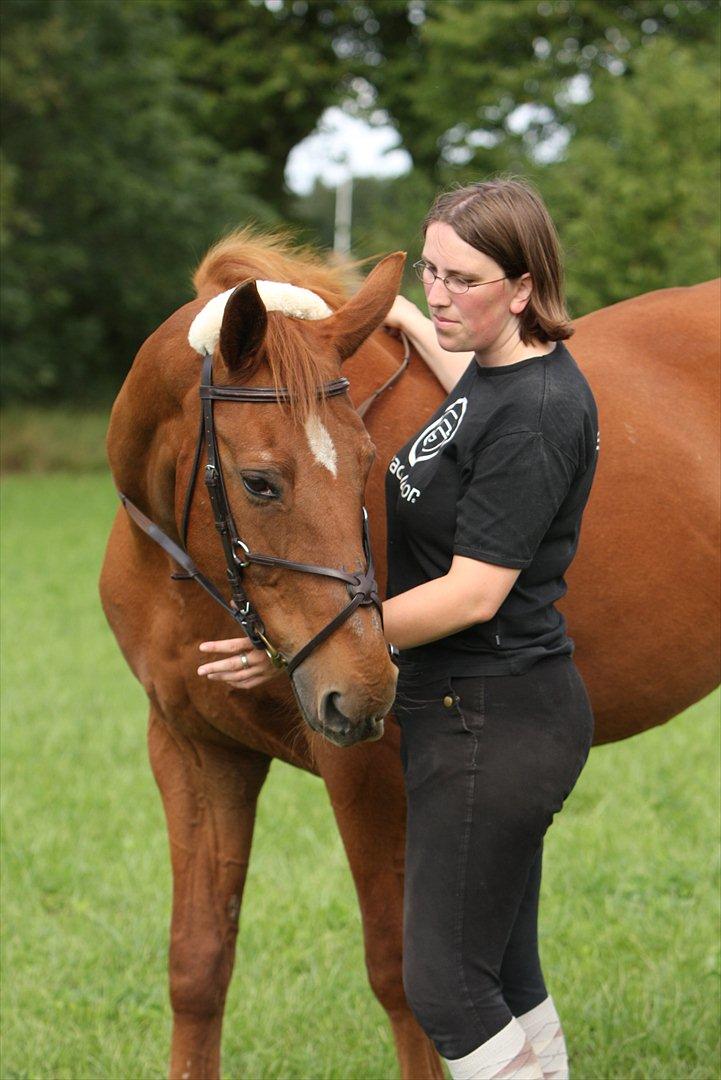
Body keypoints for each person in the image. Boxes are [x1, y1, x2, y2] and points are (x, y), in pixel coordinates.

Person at [197, 176, 599, 1080]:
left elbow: (470, 595)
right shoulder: (500, 379)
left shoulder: (536, 412)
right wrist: (416, 331)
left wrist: (299, 645)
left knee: (447, 988)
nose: (438, 294)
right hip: (474, 709)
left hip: (496, 717)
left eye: (463, 280)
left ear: (524, 289)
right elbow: (473, 405)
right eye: (430, 271)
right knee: (505, 970)